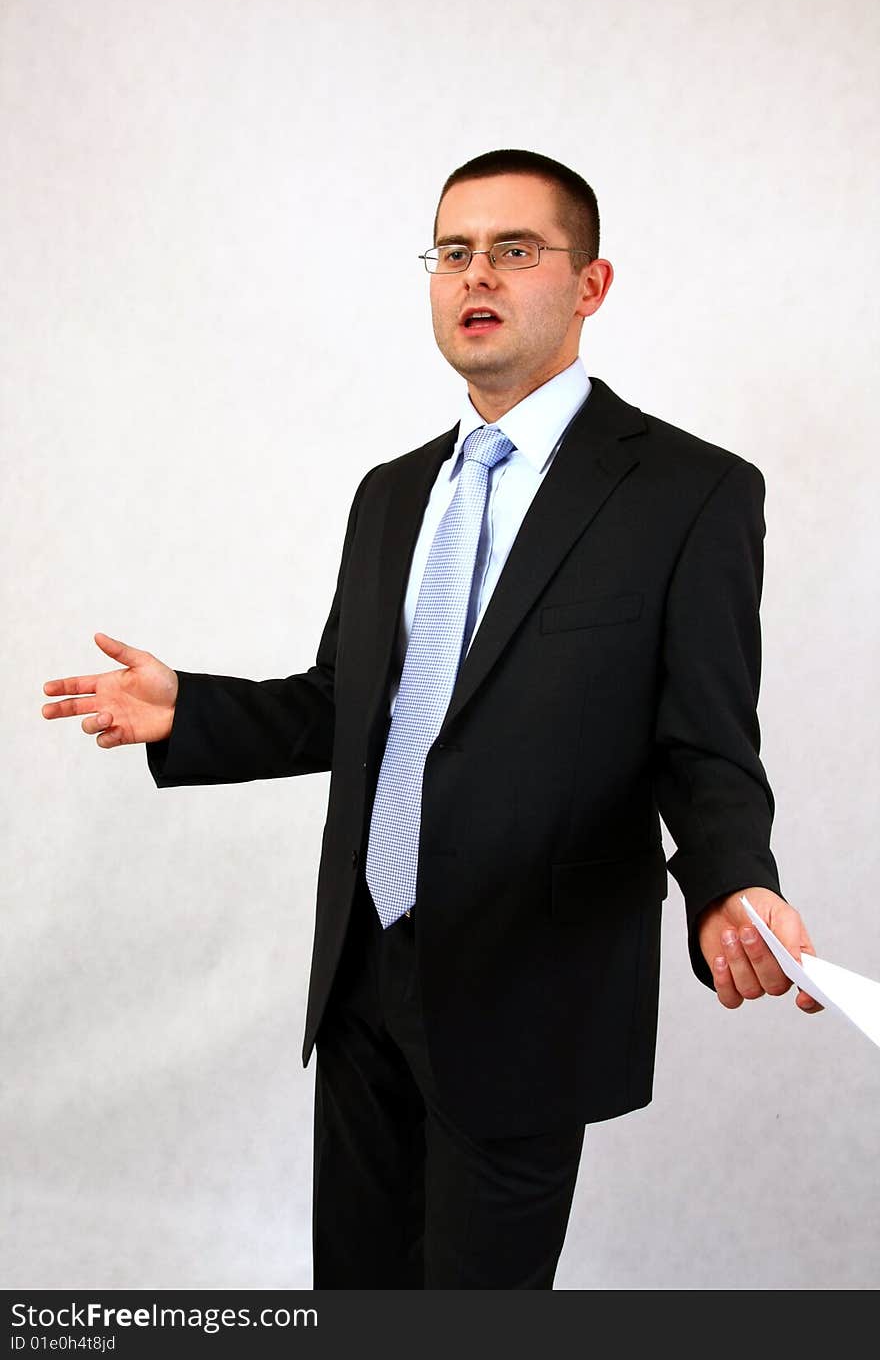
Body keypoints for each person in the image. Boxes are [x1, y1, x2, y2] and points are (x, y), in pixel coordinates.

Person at [42, 149, 822, 1290]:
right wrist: (187, 711)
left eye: (516, 249)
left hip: (528, 982)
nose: (478, 274)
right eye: (454, 251)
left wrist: (731, 883)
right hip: (363, 972)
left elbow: (703, 745)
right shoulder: (393, 492)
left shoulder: (689, 493)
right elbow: (349, 708)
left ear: (590, 283)